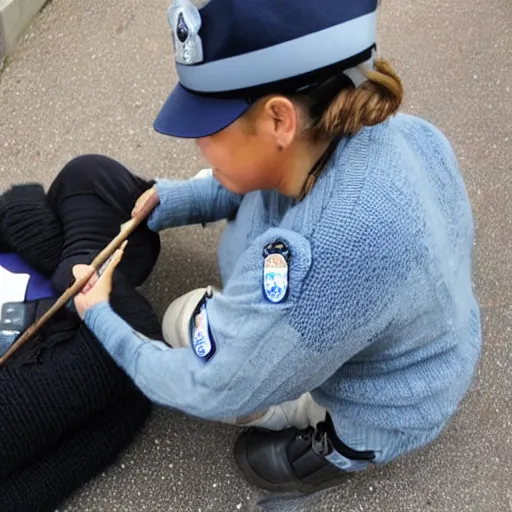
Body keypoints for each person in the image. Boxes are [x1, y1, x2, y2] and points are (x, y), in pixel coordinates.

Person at [63, 0, 481, 494]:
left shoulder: (324, 257)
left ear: (280, 120)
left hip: (389, 403)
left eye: (208, 126)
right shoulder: (393, 132)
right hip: (423, 337)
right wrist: (181, 198)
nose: (197, 142)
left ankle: (336, 449)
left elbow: (211, 382)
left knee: (181, 323)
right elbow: (256, 175)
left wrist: (100, 315)